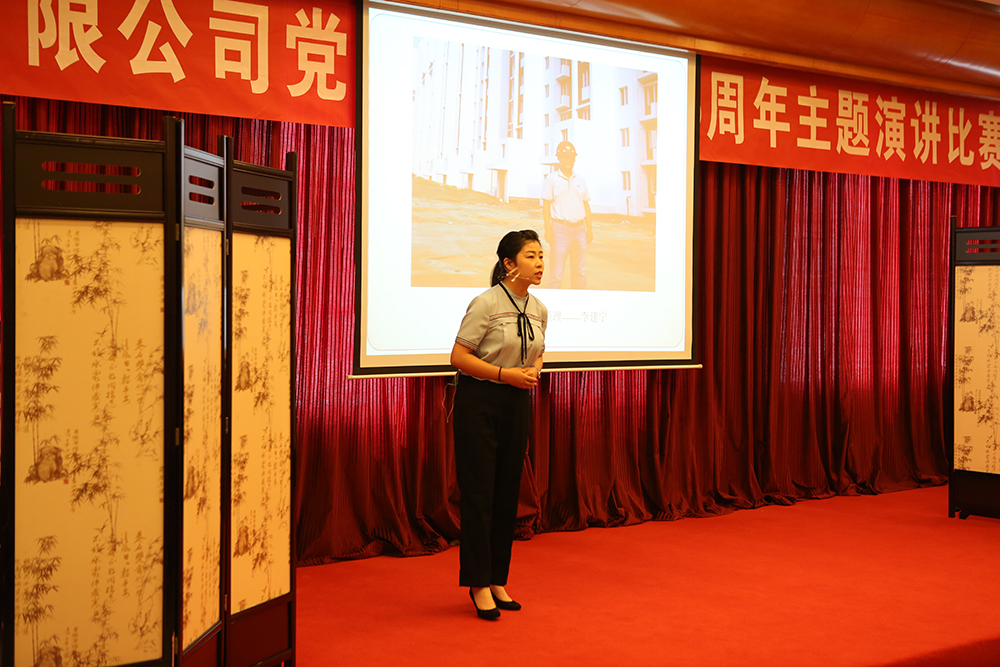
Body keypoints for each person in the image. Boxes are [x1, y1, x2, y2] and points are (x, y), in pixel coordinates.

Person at [450, 229, 547, 621]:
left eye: (541, 256)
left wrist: (534, 369)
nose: (539, 263)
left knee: (508, 493)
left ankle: (496, 579)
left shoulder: (539, 308)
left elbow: (539, 350)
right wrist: (506, 374)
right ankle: (477, 582)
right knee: (480, 494)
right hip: (480, 400)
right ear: (509, 263)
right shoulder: (486, 303)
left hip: (516, 402)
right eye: (530, 256)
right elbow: (459, 356)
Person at [542, 140, 592, 289]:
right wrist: (548, 229)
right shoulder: (551, 179)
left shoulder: (580, 180)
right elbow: (546, 205)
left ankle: (579, 301)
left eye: (571, 157)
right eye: (564, 157)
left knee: (579, 273)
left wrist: (589, 229)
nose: (568, 160)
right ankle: (553, 302)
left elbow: (586, 205)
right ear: (559, 159)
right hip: (560, 231)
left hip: (580, 230)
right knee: (556, 274)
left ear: (574, 158)